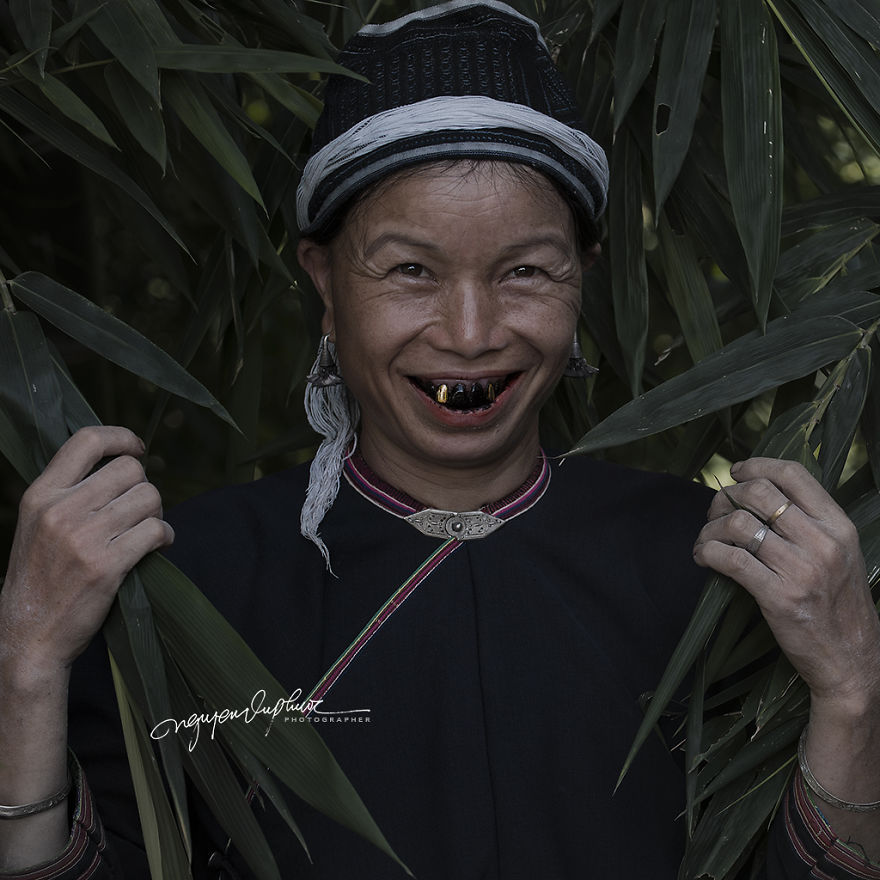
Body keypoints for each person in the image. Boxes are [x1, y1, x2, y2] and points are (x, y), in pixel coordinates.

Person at [1, 2, 878, 877]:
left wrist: (852, 689)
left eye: (526, 270)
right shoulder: (195, 579)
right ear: (325, 281)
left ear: (584, 279)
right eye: (412, 270)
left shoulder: (707, 570)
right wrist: (29, 662)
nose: (469, 333)